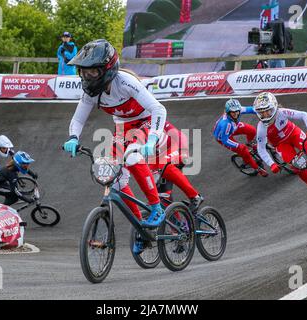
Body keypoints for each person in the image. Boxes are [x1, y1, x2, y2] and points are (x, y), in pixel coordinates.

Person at [62, 39, 202, 254]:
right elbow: (78, 119)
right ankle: (141, 228)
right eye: (83, 72)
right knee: (113, 178)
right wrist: (73, 137)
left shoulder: (125, 82)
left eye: (92, 72)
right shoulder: (90, 92)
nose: (86, 77)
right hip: (123, 128)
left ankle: (156, 207)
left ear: (107, 69)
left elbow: (158, 109)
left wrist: (152, 139)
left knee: (133, 156)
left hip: (146, 122)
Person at [213, 99, 269, 177]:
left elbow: (252, 109)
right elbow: (225, 140)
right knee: (243, 149)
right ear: (228, 112)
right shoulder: (226, 124)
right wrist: (238, 146)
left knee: (252, 130)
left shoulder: (238, 109)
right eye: (233, 112)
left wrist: (264, 114)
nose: (236, 114)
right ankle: (257, 168)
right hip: (224, 137)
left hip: (233, 127)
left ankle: (250, 143)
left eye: (237, 111)